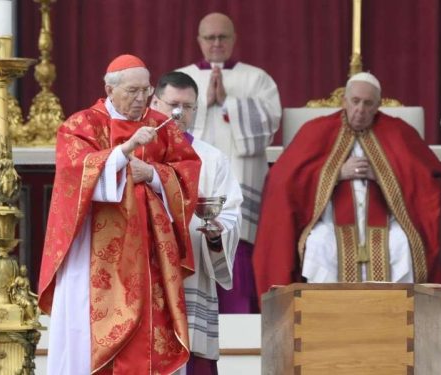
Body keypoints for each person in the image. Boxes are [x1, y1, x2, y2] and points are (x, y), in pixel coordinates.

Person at [37, 54, 201, 374]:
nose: (141, 99)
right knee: (85, 332)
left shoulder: (160, 124)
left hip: (148, 253)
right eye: (132, 91)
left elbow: (187, 173)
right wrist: (123, 152)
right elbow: (74, 175)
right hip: (93, 254)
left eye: (146, 90)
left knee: (149, 332)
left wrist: (152, 175)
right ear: (109, 90)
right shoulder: (81, 124)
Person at [253, 72, 441, 299]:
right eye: (355, 101)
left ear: (378, 106)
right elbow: (283, 180)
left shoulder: (398, 132)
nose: (360, 109)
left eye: (368, 103)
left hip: (387, 224)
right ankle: (325, 313)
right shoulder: (316, 130)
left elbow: (427, 178)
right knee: (319, 244)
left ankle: (393, 314)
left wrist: (384, 175)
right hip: (329, 223)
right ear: (345, 100)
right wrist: (334, 173)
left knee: (400, 244)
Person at [177, 12, 281, 313]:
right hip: (196, 177)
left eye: (223, 37)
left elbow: (270, 124)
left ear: (234, 39)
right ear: (199, 40)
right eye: (210, 37)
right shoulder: (183, 78)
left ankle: (240, 316)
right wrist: (205, 104)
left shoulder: (256, 78)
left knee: (239, 242)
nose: (216, 43)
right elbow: (167, 126)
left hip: (240, 177)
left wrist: (229, 102)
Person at [150, 71, 243, 375]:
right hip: (146, 274)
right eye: (172, 104)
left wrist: (217, 233)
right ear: (155, 103)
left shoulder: (211, 159)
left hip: (192, 274)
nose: (179, 113)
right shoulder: (137, 150)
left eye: (188, 107)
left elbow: (230, 211)